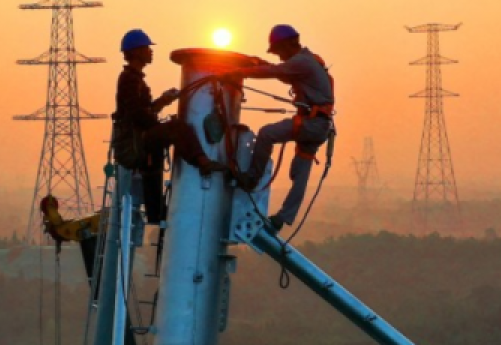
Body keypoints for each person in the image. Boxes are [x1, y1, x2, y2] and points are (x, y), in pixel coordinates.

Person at [223, 24, 335, 231]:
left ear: (286, 45)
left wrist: (238, 72)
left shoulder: (302, 61)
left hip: (311, 123)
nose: (280, 57)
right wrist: (259, 64)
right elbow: (282, 73)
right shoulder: (307, 61)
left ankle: (251, 179)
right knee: (300, 174)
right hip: (319, 125)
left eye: (278, 52)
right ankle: (282, 219)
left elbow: (276, 72)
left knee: (266, 134)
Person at [112, 29, 224, 222]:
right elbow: (137, 115)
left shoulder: (134, 79)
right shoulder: (129, 80)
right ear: (136, 51)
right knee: (178, 128)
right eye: (147, 48)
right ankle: (202, 162)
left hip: (138, 139)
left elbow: (142, 111)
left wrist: (163, 102)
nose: (150, 52)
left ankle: (156, 213)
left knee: (153, 168)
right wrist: (161, 123)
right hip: (135, 141)